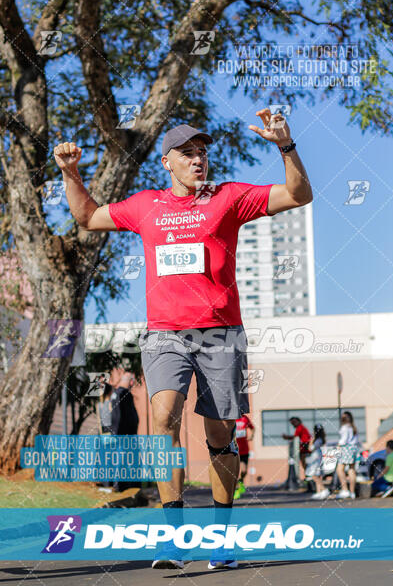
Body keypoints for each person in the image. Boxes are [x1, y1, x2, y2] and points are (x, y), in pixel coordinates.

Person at [54, 110, 313, 570]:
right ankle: (172, 539)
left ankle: (221, 539)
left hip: (221, 334)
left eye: (203, 153)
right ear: (166, 163)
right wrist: (71, 173)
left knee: (220, 435)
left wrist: (285, 146)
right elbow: (88, 216)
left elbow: (298, 194)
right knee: (163, 416)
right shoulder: (145, 206)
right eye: (188, 154)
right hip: (164, 335)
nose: (199, 161)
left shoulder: (228, 198)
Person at [109, 367, 139, 492]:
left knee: (124, 459)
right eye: (133, 381)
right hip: (124, 435)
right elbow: (118, 416)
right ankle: (119, 485)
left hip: (125, 434)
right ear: (130, 381)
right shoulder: (122, 394)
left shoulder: (121, 394)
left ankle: (125, 484)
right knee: (121, 458)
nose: (133, 384)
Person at [336, 410, 359, 499]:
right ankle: (352, 492)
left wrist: (339, 445)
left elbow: (343, 440)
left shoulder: (345, 427)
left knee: (339, 469)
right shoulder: (353, 427)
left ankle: (345, 490)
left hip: (346, 448)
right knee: (351, 469)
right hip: (353, 448)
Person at [233, 414, 255, 500]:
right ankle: (236, 491)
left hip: (244, 450)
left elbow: (252, 427)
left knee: (244, 471)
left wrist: (252, 436)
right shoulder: (231, 418)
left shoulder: (245, 418)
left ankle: (241, 482)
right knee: (234, 472)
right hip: (234, 449)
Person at [308, 424, 329, 500]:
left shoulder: (317, 440)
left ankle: (324, 489)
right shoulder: (321, 439)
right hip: (318, 458)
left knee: (313, 475)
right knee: (318, 475)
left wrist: (311, 441)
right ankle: (319, 492)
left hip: (316, 459)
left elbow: (310, 448)